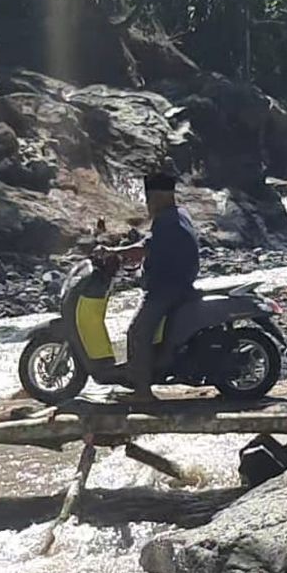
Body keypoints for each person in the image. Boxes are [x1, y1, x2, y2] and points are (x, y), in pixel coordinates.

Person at [106, 172, 200, 402]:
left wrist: (113, 253)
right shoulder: (179, 215)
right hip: (177, 283)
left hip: (167, 288)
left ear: (157, 197)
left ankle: (142, 393)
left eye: (149, 200)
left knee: (138, 333)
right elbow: (152, 245)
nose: (148, 205)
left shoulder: (167, 219)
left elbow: (145, 247)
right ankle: (141, 378)